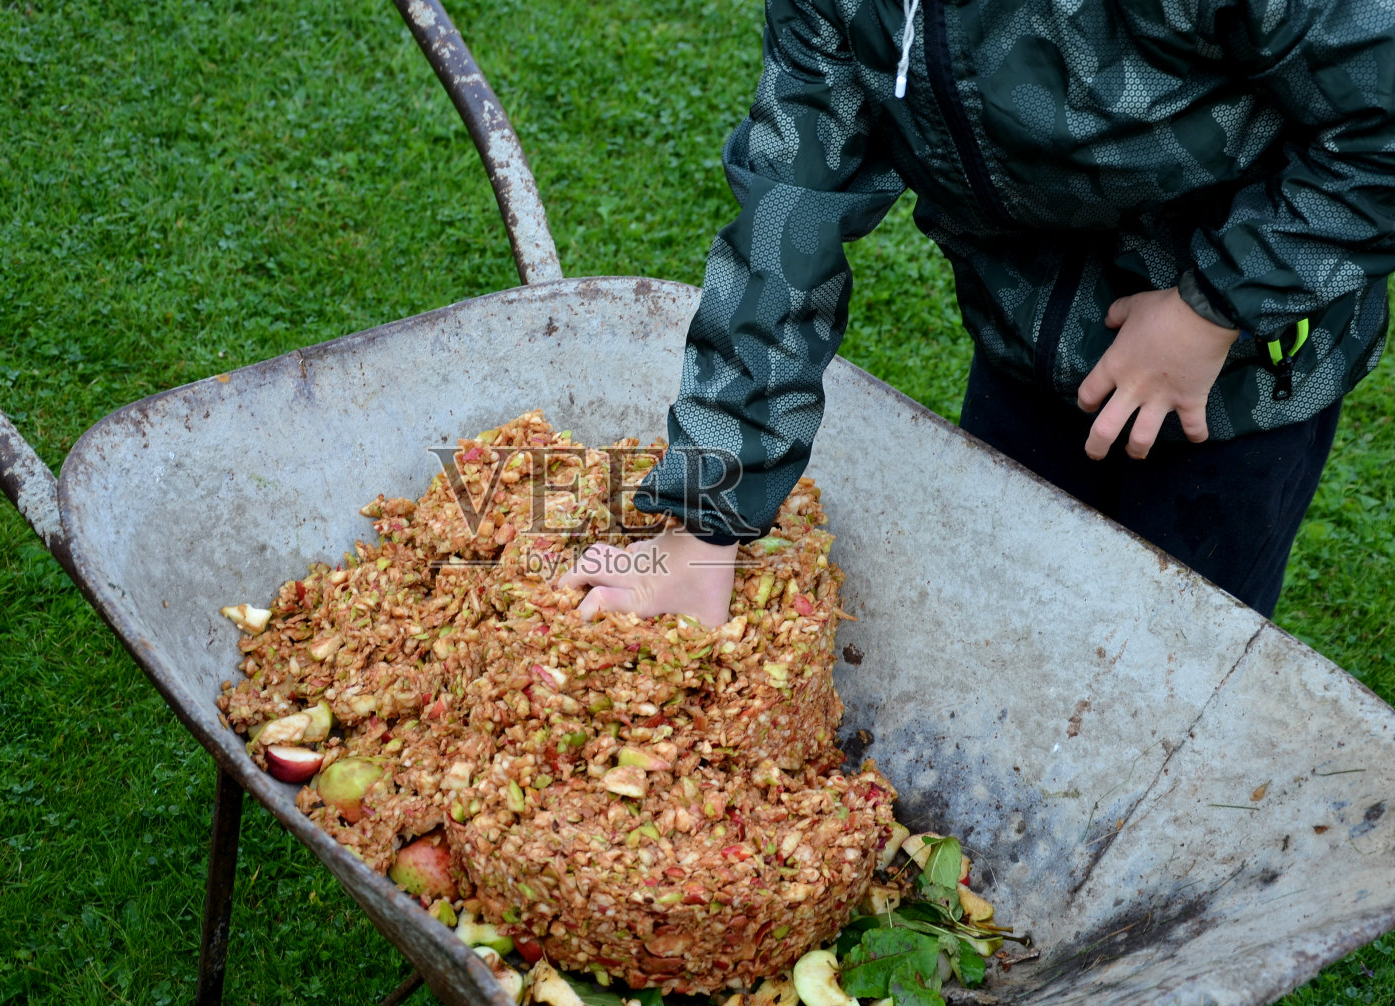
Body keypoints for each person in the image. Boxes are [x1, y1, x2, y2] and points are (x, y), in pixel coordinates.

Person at [560, 0, 1395, 628]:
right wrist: (709, 521)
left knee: (1173, 659)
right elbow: (793, 207)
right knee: (1001, 613)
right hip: (1026, 339)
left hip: (1232, 390)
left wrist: (1212, 307)